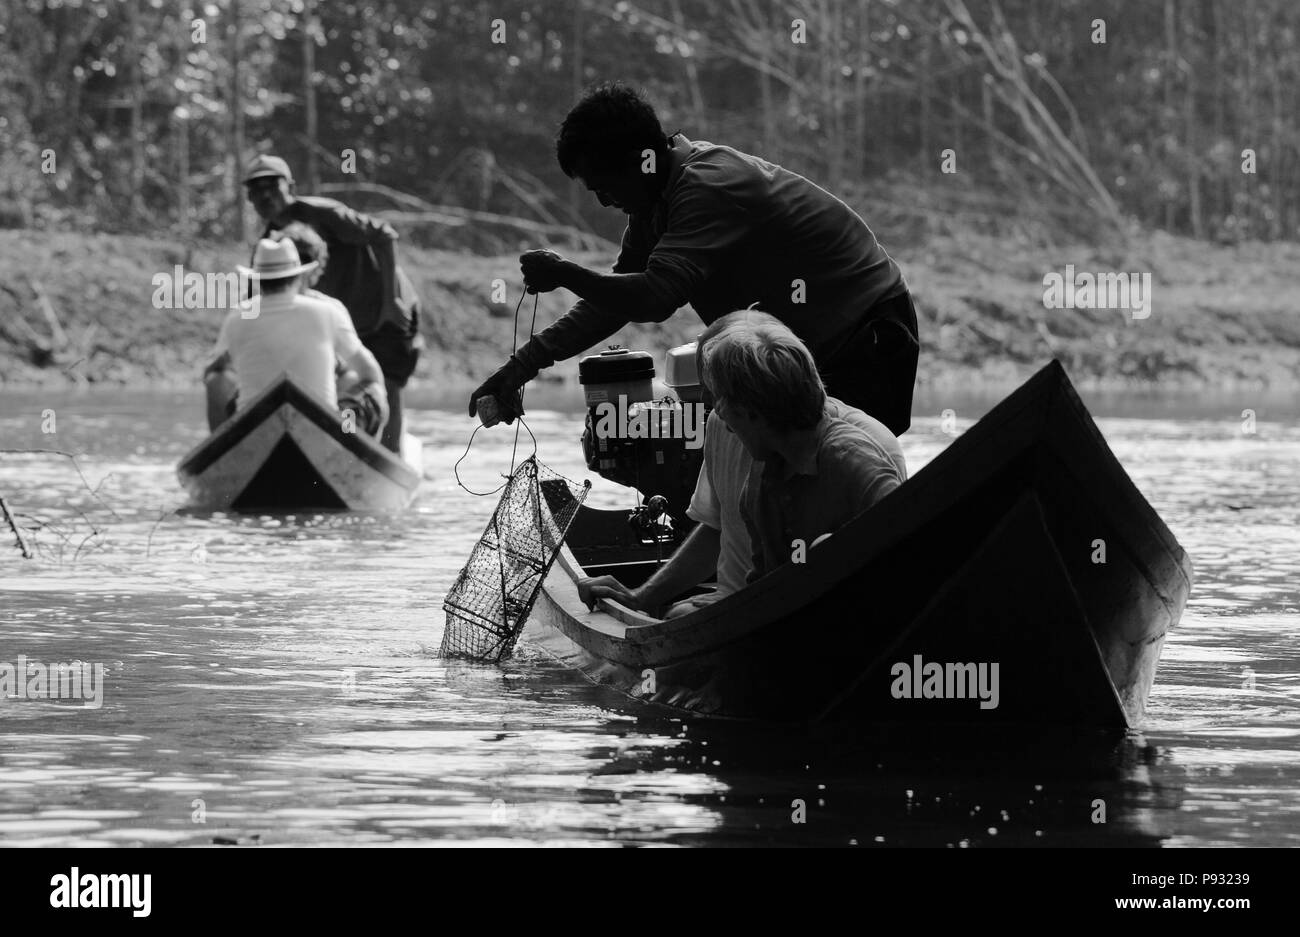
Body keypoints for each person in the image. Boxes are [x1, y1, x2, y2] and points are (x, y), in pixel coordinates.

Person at [470, 81, 919, 436]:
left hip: (865, 336)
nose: (605, 201)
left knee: (818, 467)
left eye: (604, 186)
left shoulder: (708, 185)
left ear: (642, 159)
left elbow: (655, 298)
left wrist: (565, 273)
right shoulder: (653, 205)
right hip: (802, 351)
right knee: (717, 450)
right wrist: (522, 365)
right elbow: (615, 302)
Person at [577, 310, 906, 618]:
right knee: (681, 617)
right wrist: (642, 598)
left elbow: (908, 548)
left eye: (717, 396)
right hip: (764, 612)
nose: (711, 408)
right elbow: (759, 577)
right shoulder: (765, 468)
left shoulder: (859, 455)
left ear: (753, 407)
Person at [242, 154, 421, 453]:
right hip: (342, 319)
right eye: (257, 189)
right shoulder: (269, 246)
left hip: (384, 306)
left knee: (385, 382)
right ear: (249, 197)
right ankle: (343, 455)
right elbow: (257, 299)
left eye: (272, 185)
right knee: (338, 383)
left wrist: (392, 302)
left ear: (291, 187)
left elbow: (385, 236)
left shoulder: (324, 214)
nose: (265, 195)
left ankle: (394, 460)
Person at [202, 238, 388, 436]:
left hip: (255, 428)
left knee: (216, 379)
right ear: (297, 277)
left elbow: (214, 370)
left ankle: (224, 450)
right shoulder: (327, 311)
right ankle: (353, 444)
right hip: (320, 429)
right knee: (363, 383)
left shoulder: (238, 316)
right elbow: (369, 371)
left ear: (258, 280)